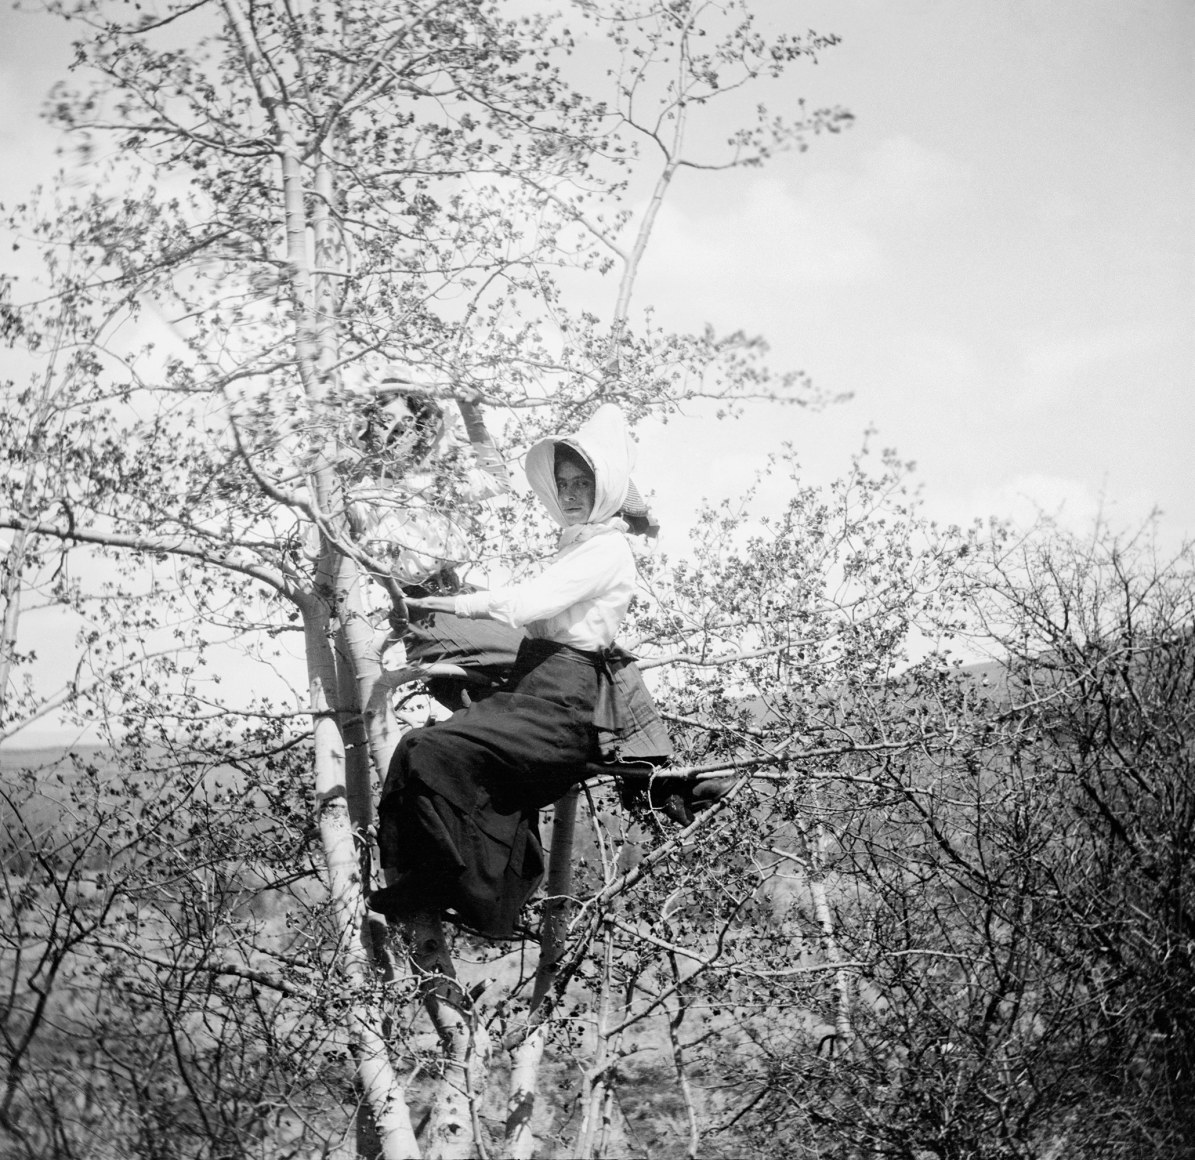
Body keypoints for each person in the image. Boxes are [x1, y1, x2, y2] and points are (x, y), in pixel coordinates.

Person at [371, 404, 654, 938]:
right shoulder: (584, 544)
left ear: (604, 490)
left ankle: (445, 882)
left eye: (582, 484)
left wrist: (450, 607)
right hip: (535, 685)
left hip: (562, 704)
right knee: (415, 750)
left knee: (433, 752)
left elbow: (527, 606)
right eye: (563, 484)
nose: (570, 495)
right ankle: (427, 880)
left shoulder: (608, 550)